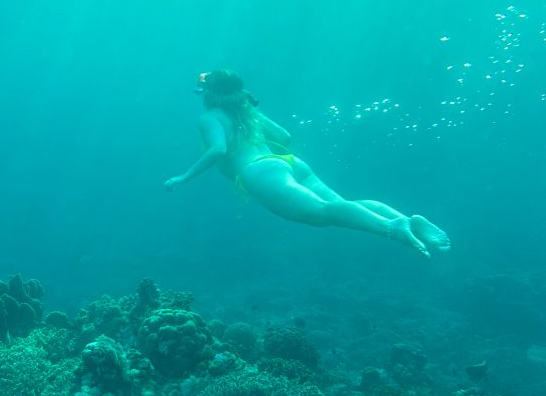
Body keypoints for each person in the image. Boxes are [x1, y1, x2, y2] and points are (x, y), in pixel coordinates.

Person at [164, 69, 450, 258]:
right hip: (288, 162)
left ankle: (393, 227)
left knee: (320, 214)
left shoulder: (210, 117)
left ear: (208, 93)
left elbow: (217, 149)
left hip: (258, 172)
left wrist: (184, 177)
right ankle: (407, 220)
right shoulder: (248, 112)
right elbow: (285, 137)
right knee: (342, 203)